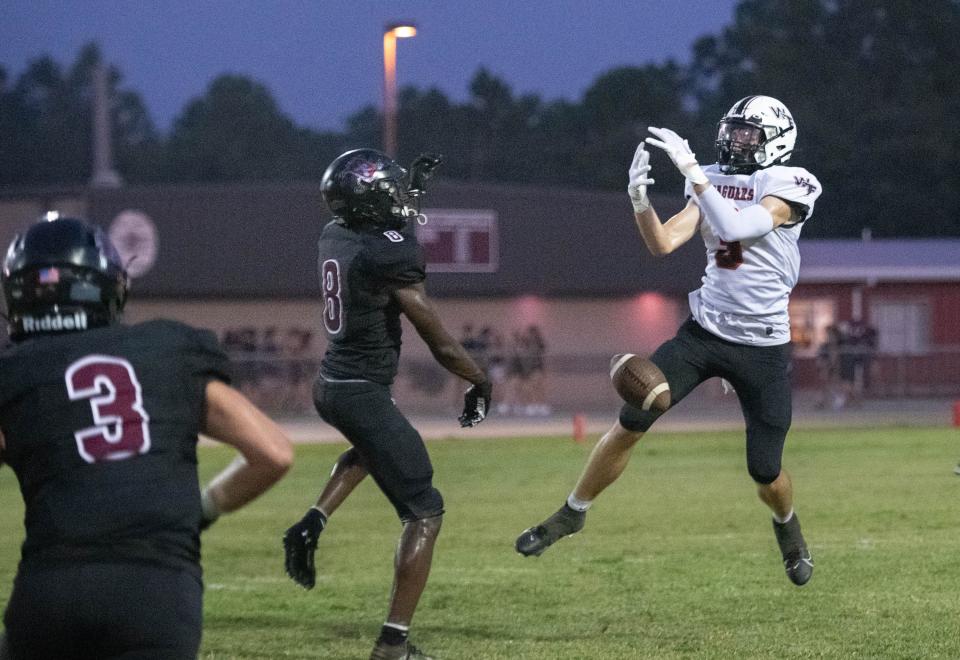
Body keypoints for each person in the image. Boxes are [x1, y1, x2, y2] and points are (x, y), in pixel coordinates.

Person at [516, 96, 822, 587]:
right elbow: (662, 243)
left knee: (765, 471)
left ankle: (788, 527)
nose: (735, 142)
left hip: (763, 345)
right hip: (704, 331)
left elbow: (739, 225)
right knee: (633, 417)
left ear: (777, 140)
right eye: (733, 131)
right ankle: (573, 511)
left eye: (749, 134)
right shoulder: (709, 177)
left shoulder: (790, 182)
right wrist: (639, 202)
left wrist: (697, 178)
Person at [0, 215, 293, 659]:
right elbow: (273, 453)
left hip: (50, 593)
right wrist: (205, 507)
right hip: (156, 594)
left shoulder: (14, 372)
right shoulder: (169, 349)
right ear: (109, 287)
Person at [282, 149, 492, 660]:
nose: (401, 199)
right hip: (360, 391)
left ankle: (310, 522)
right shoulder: (387, 255)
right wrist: (479, 378)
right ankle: (392, 645)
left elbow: (384, 228)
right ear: (373, 202)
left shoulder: (336, 232)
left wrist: (411, 195)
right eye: (391, 191)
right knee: (424, 512)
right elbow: (438, 339)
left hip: (332, 383)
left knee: (373, 450)